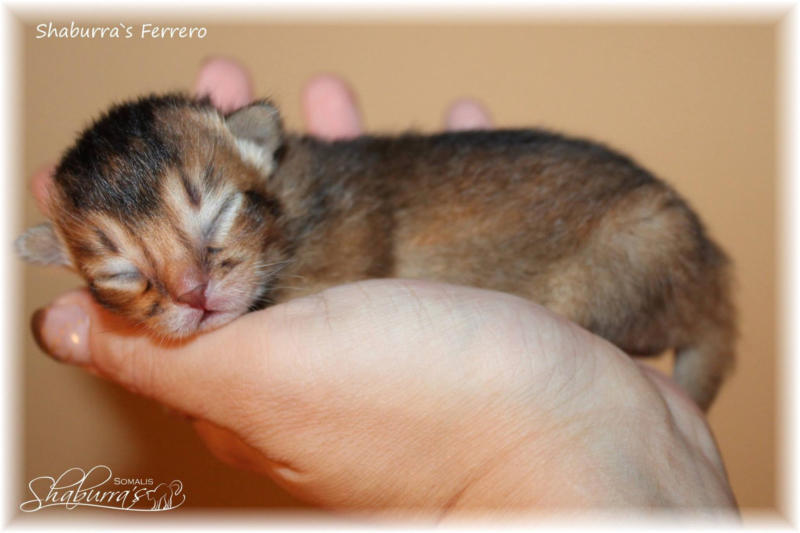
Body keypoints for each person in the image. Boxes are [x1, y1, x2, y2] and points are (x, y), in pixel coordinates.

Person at [29, 58, 737, 515]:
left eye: (214, 220)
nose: (189, 287)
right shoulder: (265, 223)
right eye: (124, 275)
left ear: (257, 149)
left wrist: (528, 445)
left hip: (635, 238)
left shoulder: (333, 214)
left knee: (627, 249)